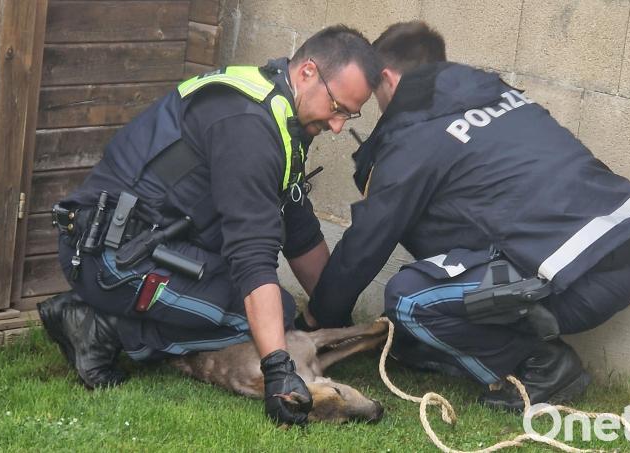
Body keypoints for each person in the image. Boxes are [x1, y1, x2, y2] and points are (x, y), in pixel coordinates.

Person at [302, 21, 630, 411]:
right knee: (441, 269)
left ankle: (542, 366)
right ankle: (437, 343)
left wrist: (321, 320)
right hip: (626, 249)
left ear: (386, 78)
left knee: (409, 299)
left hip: (581, 280)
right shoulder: (492, 93)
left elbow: (366, 243)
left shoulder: (416, 133)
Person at [37, 25, 382, 426]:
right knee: (273, 317)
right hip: (113, 260)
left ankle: (112, 322)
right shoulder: (248, 126)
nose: (338, 125)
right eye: (337, 107)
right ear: (307, 72)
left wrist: (333, 314)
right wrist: (277, 370)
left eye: (349, 115)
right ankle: (105, 327)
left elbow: (298, 226)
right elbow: (253, 256)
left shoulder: (278, 111)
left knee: (275, 312)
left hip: (151, 247)